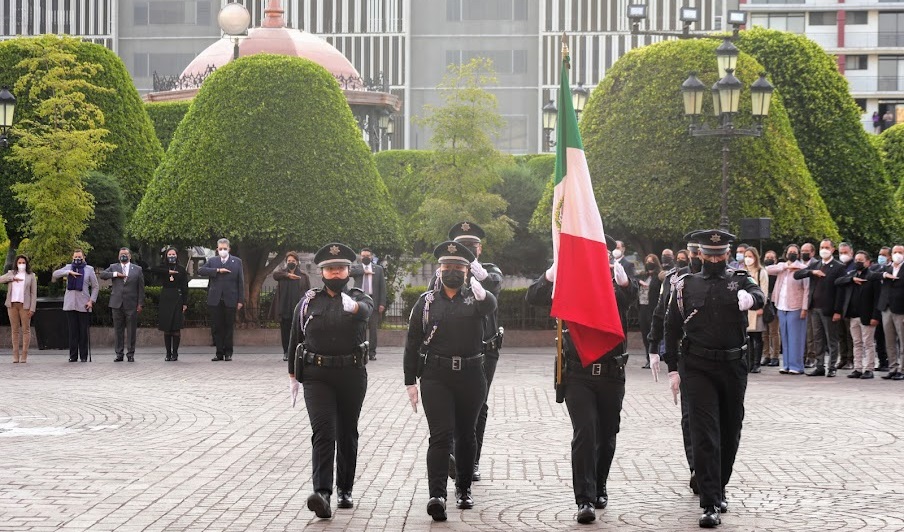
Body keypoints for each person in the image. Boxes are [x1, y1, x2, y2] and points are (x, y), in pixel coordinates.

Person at [663, 229, 765, 528]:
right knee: (705, 433)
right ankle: (709, 503)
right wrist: (672, 367)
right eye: (711, 255)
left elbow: (759, 296)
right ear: (701, 255)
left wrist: (751, 299)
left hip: (733, 365)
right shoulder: (685, 285)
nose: (716, 259)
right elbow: (671, 326)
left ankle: (719, 488)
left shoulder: (739, 279)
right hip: (697, 367)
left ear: (728, 254)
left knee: (730, 430)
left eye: (721, 255)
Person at [527, 251, 633, 524]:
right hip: (578, 374)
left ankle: (599, 486)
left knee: (607, 434)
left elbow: (629, 299)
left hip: (611, 374)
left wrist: (624, 283)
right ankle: (584, 499)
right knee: (585, 431)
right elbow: (534, 297)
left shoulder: (613, 291)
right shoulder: (571, 287)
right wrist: (552, 273)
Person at [404, 241, 496, 522]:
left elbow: (492, 306)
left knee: (466, 435)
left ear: (467, 271)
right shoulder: (427, 302)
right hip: (436, 376)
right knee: (441, 435)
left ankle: (464, 488)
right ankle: (437, 495)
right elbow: (413, 342)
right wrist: (410, 381)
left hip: (471, 375)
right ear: (439, 270)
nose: (452, 271)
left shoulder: (477, 299)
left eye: (458, 267)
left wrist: (484, 296)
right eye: (447, 267)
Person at [287, 242, 373, 519]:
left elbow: (367, 311)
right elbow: (295, 337)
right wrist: (293, 375)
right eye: (330, 269)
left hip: (351, 374)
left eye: (340, 269)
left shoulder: (360, 296)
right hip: (317, 375)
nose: (336, 273)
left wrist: (355, 308)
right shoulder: (309, 301)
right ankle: (322, 492)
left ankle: (345, 488)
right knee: (323, 433)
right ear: (321, 273)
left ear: (349, 271)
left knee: (347, 432)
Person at [446, 221, 504, 482]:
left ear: (480, 249)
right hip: (452, 349)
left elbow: (493, 288)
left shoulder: (490, 271)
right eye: (463, 246)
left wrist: (478, 274)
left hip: (484, 351)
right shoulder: (447, 272)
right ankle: (450, 455)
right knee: (449, 404)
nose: (468, 251)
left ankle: (473, 459)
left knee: (477, 405)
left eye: (472, 246)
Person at [649, 239, 699, 495]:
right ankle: (696, 469)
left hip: (716, 358)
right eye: (691, 253)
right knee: (690, 417)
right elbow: (662, 314)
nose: (692, 257)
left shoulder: (728, 280)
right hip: (685, 356)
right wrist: (653, 347)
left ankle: (713, 470)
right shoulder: (673, 279)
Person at [794, 239, 845, 377]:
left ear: (833, 249)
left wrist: (837, 311)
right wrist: (812, 272)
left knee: (831, 339)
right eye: (822, 247)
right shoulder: (815, 264)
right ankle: (819, 366)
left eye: (827, 247)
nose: (824, 249)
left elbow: (841, 292)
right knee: (818, 338)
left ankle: (832, 366)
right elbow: (797, 275)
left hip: (829, 309)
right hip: (814, 307)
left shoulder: (839, 267)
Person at [835, 251, 880, 379]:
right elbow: (837, 281)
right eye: (856, 260)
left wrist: (875, 316)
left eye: (861, 260)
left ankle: (869, 368)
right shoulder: (852, 275)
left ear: (867, 262)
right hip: (853, 315)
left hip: (867, 316)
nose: (858, 262)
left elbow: (877, 299)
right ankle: (858, 368)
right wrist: (851, 279)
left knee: (868, 343)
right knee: (857, 342)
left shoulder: (872, 277)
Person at [766, 245, 809, 375]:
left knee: (795, 337)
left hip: (796, 306)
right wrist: (786, 266)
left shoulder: (803, 269)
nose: (792, 254)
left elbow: (807, 289)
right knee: (784, 336)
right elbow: (767, 269)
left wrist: (805, 308)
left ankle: (796, 366)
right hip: (781, 305)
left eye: (794, 252)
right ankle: (786, 364)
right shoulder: (782, 267)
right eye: (790, 252)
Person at [199, 239, 244, 362]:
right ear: (217, 249)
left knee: (228, 326)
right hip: (215, 299)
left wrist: (240, 300)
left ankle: (228, 352)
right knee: (217, 326)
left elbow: (240, 282)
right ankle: (219, 352)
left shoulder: (237, 262)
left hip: (231, 299)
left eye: (225, 248)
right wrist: (217, 270)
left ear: (229, 248)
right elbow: (200, 270)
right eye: (220, 249)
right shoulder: (213, 261)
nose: (222, 251)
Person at [99, 247, 146, 362]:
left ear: (130, 256)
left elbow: (141, 288)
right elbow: (102, 275)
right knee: (118, 330)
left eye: (125, 254)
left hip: (131, 304)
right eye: (121, 254)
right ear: (118, 256)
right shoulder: (114, 267)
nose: (123, 256)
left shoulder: (138, 269)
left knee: (131, 330)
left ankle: (130, 354)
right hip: (116, 304)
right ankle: (119, 354)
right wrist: (115, 274)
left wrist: (140, 303)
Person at [52, 249, 99, 363]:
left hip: (84, 304)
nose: (77, 259)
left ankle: (83, 356)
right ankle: (73, 356)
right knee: (73, 332)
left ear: (84, 257)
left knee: (83, 331)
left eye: (79, 257)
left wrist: (91, 301)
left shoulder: (89, 269)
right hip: (70, 304)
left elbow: (95, 286)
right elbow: (55, 274)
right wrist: (68, 272)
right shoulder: (68, 267)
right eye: (75, 257)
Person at [869, 245, 904, 380]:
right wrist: (883, 274)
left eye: (900, 252)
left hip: (901, 309)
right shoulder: (886, 268)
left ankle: (902, 369)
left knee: (902, 340)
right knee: (889, 341)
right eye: (895, 252)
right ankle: (893, 368)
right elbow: (871, 275)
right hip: (886, 308)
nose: (897, 254)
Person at [151, 247, 189, 361]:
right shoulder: (163, 267)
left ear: (177, 256)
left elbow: (185, 287)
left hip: (177, 297)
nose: (171, 256)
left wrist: (185, 303)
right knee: (167, 327)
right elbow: (152, 269)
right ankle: (168, 353)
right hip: (166, 297)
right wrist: (168, 272)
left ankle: (175, 353)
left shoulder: (181, 269)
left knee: (176, 328)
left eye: (173, 254)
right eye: (169, 254)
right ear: (166, 256)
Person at [272, 251, 310, 362]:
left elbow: (308, 291)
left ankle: (298, 351)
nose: (291, 263)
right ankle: (286, 352)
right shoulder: (282, 274)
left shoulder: (303, 276)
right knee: (285, 330)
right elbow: (275, 275)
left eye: (293, 261)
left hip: (298, 307)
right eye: (289, 261)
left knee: (299, 331)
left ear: (297, 262)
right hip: (285, 306)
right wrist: (287, 275)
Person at [350, 247, 386, 361]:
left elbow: (382, 287)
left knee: (373, 329)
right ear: (360, 257)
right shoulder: (357, 268)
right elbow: (349, 272)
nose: (365, 257)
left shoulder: (378, 269)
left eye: (368, 256)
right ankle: (361, 351)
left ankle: (372, 352)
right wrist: (365, 272)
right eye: (363, 256)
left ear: (371, 257)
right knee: (360, 328)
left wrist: (382, 303)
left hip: (373, 301)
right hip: (360, 301)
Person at [1, 255, 37, 363]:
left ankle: (24, 355)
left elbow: (33, 293)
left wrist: (32, 308)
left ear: (26, 264)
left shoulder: (31, 276)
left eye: (23, 262)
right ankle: (15, 355)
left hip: (24, 305)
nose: (21, 264)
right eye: (19, 262)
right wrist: (11, 278)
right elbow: (1, 279)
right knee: (14, 330)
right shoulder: (11, 273)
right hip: (12, 305)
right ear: (16, 263)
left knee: (26, 330)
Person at [742, 247, 768, 374]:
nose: (747, 259)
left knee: (757, 337)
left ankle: (757, 363)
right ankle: (749, 362)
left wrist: (761, 307)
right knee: (748, 338)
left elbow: (764, 290)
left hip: (756, 307)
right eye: (745, 256)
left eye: (750, 256)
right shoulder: (742, 272)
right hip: (745, 309)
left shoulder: (760, 272)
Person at [637, 254, 662, 368]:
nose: (649, 263)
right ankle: (648, 358)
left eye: (651, 261)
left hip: (653, 308)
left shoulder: (658, 277)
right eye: (647, 261)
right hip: (642, 307)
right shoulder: (643, 276)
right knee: (644, 332)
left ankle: (654, 357)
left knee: (652, 333)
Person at [761, 250, 781, 367]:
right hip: (764, 303)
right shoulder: (762, 272)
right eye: (767, 257)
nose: (769, 259)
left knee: (774, 332)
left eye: (771, 257)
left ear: (776, 259)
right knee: (764, 333)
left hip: (774, 303)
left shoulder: (777, 272)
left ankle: (775, 356)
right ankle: (766, 355)